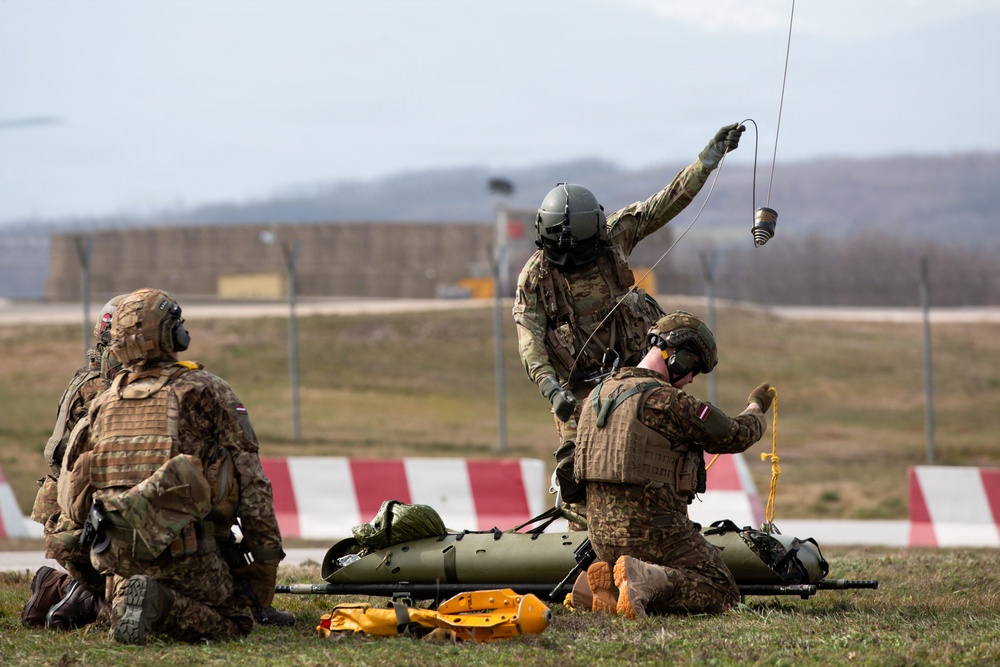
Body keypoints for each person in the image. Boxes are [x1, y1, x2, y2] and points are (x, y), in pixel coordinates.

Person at [511, 123, 746, 520]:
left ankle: (662, 534)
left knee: (653, 458)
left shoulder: (615, 237)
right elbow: (529, 338)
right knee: (581, 474)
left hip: (636, 380)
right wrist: (551, 389)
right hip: (577, 396)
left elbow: (663, 204)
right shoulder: (534, 279)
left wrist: (707, 162)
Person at [59, 287, 288, 644]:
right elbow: (252, 481)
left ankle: (112, 600)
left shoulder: (102, 402)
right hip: (186, 552)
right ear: (174, 335)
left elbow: (72, 494)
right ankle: (160, 603)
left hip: (116, 556)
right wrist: (266, 560)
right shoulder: (205, 389)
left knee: (124, 605)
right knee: (237, 621)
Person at [572, 310, 773, 618]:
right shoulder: (668, 401)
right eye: (694, 368)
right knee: (721, 589)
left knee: (661, 566)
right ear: (679, 356)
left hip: (599, 536)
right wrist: (756, 407)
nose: (691, 379)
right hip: (654, 533)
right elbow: (736, 434)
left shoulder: (596, 396)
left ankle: (600, 589)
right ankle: (642, 579)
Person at [23, 295, 128, 630]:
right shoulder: (107, 389)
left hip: (71, 522)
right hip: (85, 525)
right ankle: (74, 591)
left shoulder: (89, 377)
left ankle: (62, 588)